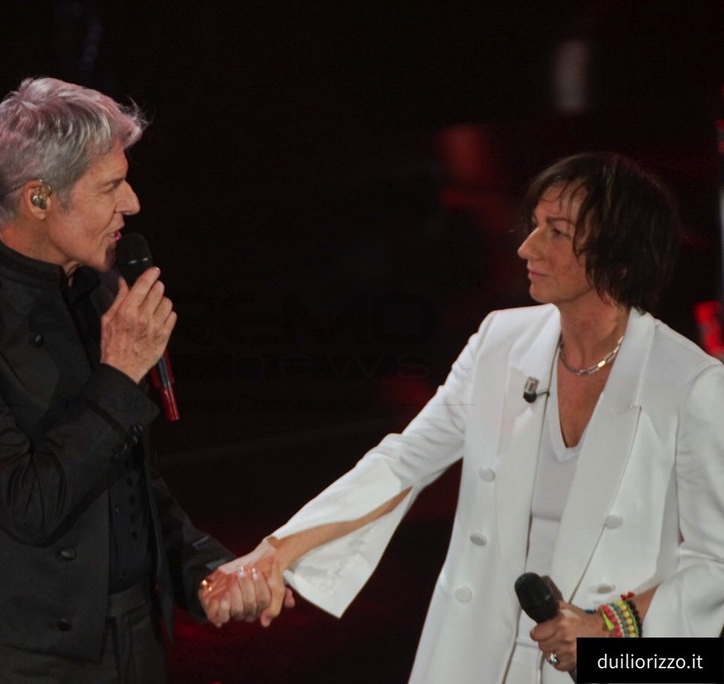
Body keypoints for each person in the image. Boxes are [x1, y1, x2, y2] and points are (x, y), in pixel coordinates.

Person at [203, 152, 724, 682]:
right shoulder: (500, 339)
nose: (526, 247)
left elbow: (717, 561)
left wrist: (609, 631)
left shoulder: (691, 384)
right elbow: (405, 462)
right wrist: (276, 552)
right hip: (472, 657)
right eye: (534, 225)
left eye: (557, 232)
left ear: (621, 257)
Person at [0, 77, 274, 684]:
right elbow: (28, 505)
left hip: (137, 643)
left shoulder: (101, 292)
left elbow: (133, 485)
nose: (132, 203)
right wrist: (120, 373)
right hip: (26, 664)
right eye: (110, 186)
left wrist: (203, 571)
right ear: (39, 198)